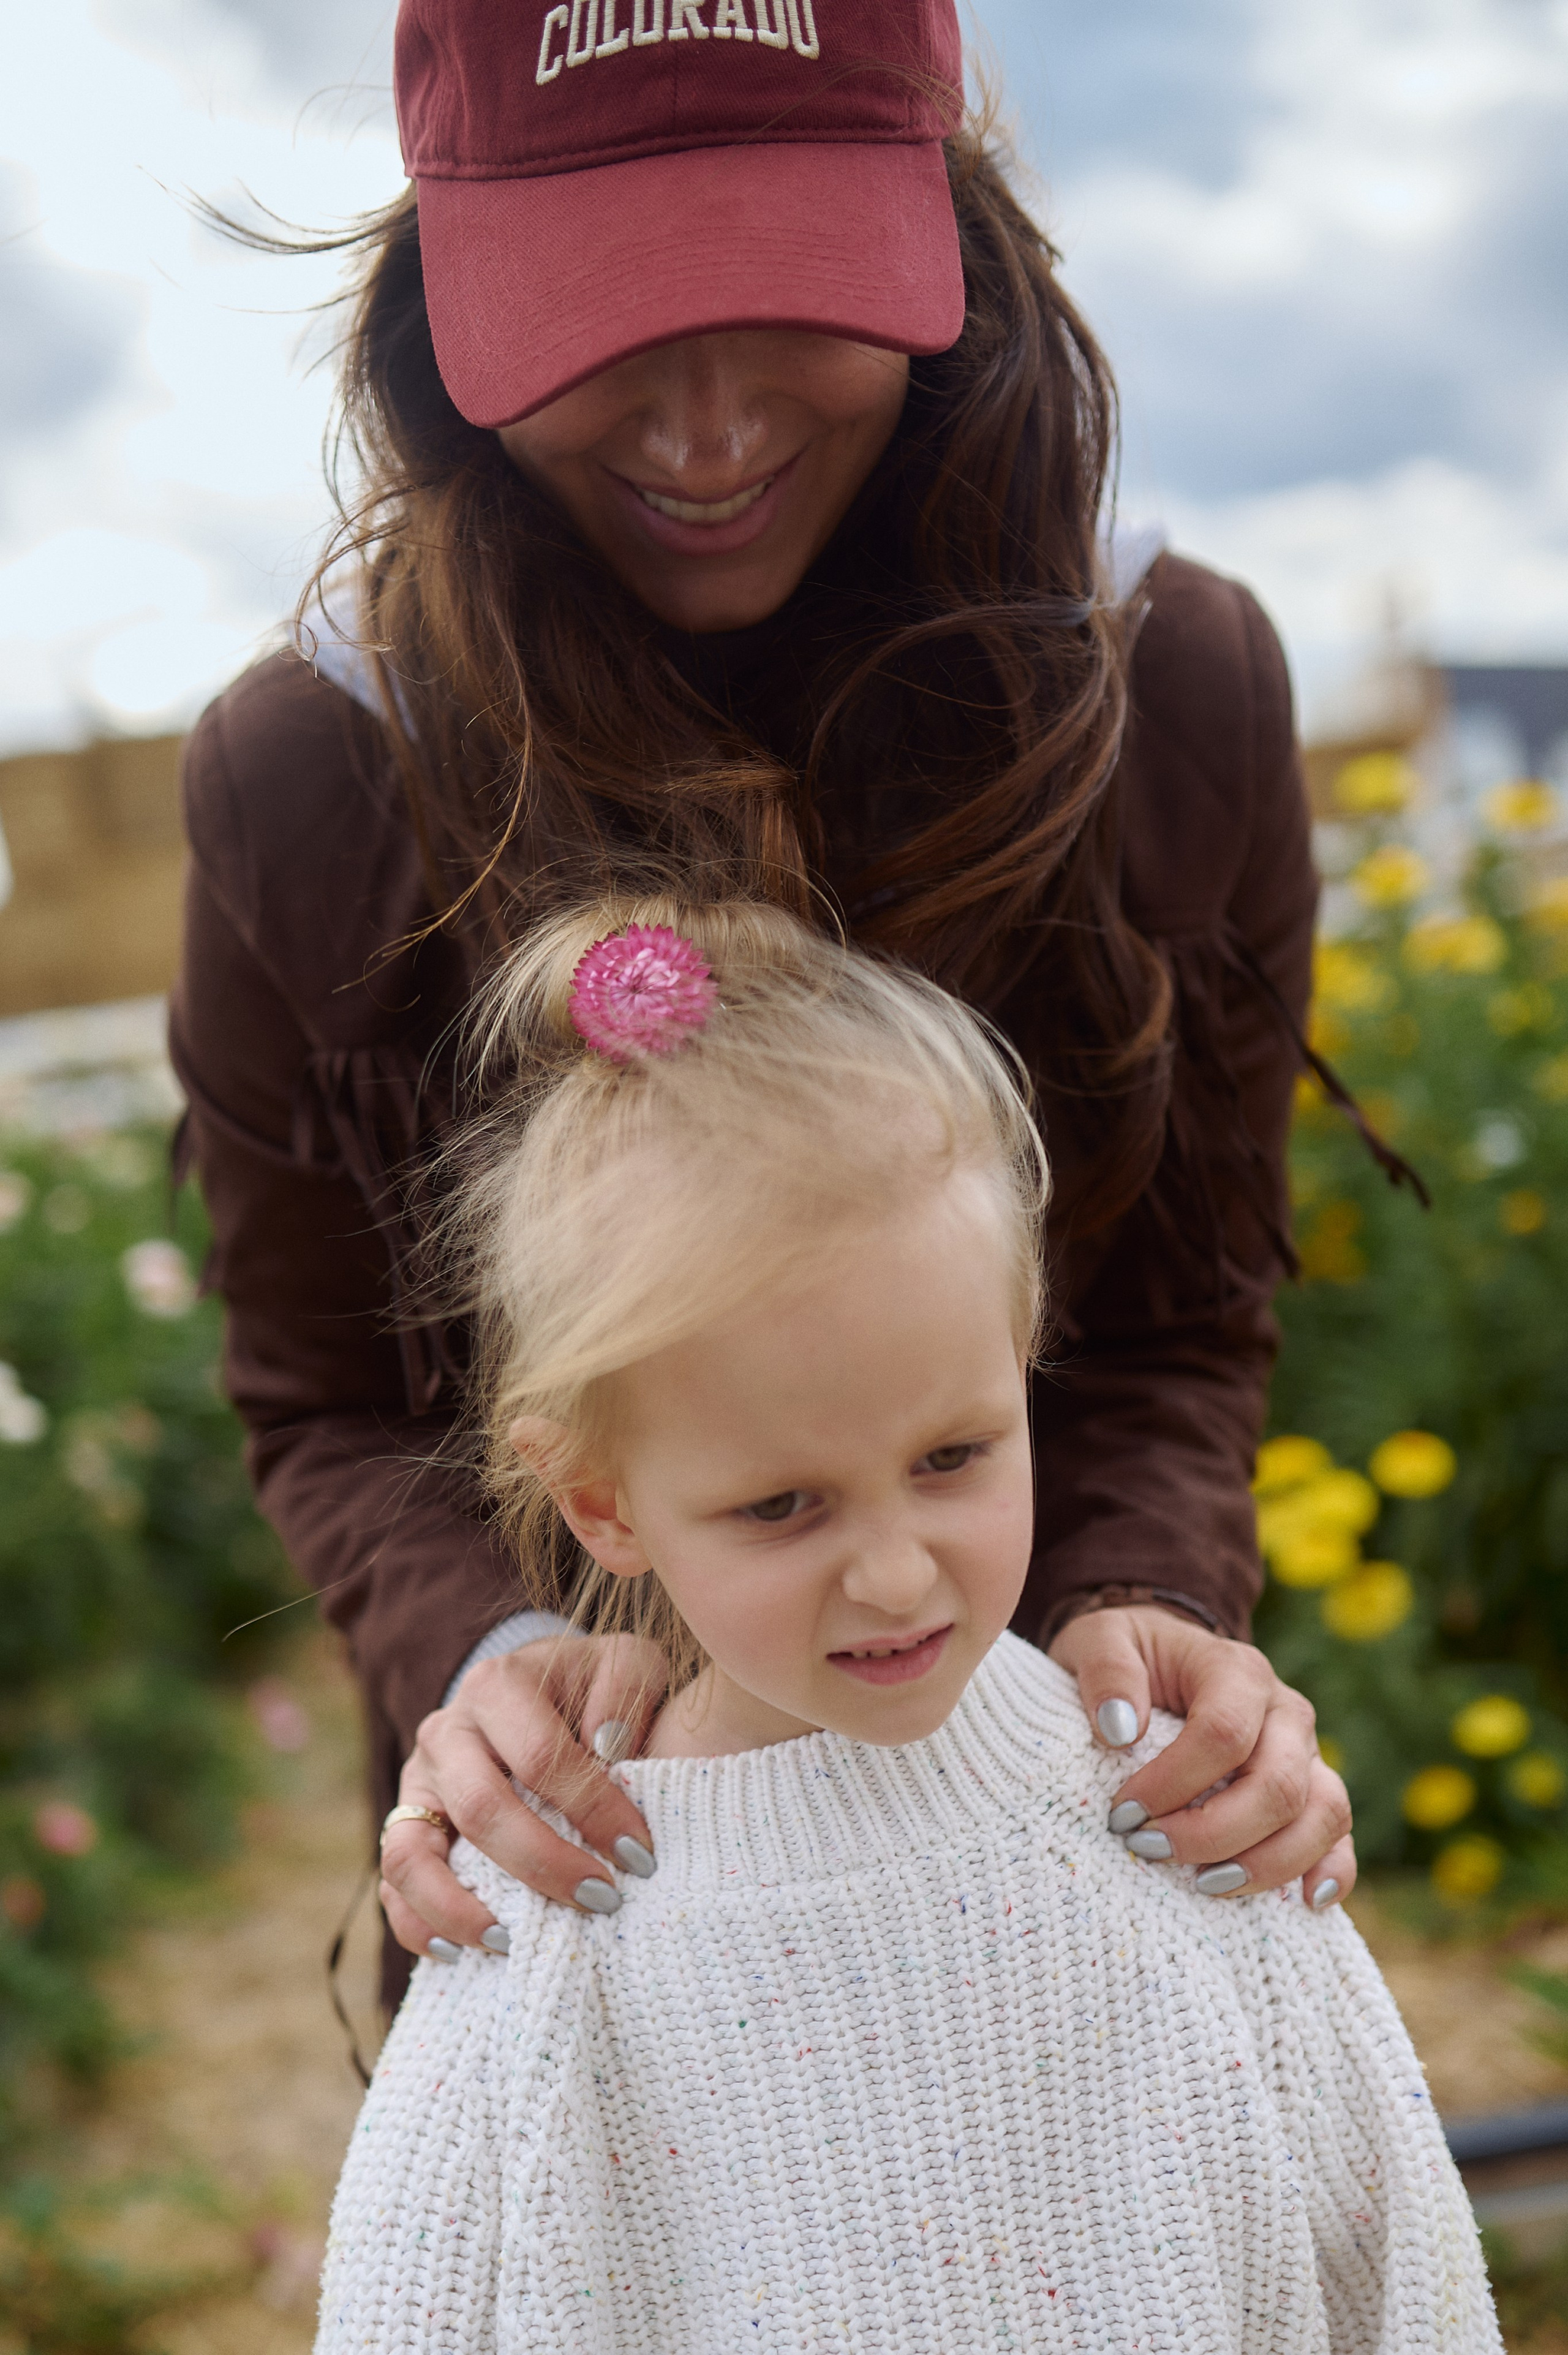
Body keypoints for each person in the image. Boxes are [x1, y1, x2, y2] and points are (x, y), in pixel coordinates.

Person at [173, 0, 1357, 2011]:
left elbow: (1175, 1325)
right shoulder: (316, 778)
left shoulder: (1170, 696)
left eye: (796, 298)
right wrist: (487, 1665)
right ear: (441, 308)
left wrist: (1150, 1614)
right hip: (603, 1895)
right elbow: (328, 1390)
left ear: (955, 243)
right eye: (608, 318)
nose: (707, 430)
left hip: (1062, 1860)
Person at [315, 898, 1494, 2354]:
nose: (892, 1574)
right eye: (781, 1505)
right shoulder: (551, 1912)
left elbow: (1394, 2270)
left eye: (951, 1456)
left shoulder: (1180, 1809)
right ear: (602, 1501)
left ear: (1022, 1354)